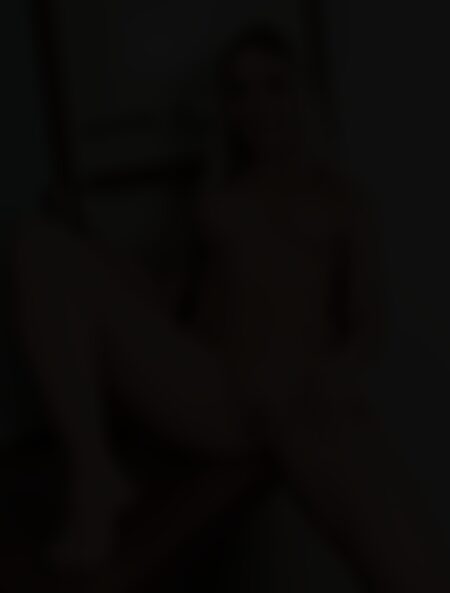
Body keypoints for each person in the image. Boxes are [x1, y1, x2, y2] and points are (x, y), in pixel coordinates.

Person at [12, 23, 449, 591]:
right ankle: (95, 476)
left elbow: (368, 323)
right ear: (228, 108)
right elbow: (165, 303)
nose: (258, 103)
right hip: (210, 387)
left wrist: (330, 377)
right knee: (34, 244)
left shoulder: (340, 198)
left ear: (300, 94)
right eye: (240, 90)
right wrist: (86, 244)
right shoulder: (216, 198)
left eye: (273, 85)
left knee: (402, 555)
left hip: (293, 395)